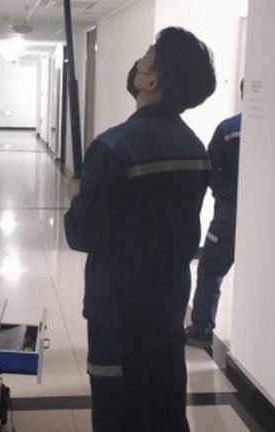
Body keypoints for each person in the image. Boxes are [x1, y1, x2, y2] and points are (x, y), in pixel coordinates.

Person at [64, 27, 216, 432]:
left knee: (119, 413)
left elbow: (84, 235)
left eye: (145, 60)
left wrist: (77, 196)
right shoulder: (194, 147)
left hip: (119, 311)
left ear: (152, 82)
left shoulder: (114, 147)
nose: (138, 64)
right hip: (169, 304)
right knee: (165, 410)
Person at [185, 80, 243, 348]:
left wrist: (227, 195)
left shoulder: (229, 129)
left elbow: (212, 169)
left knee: (209, 269)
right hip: (262, 220)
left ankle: (201, 329)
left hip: (227, 218)